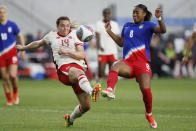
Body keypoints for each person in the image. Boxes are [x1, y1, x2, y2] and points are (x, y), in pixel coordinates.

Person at [16, 16, 101, 127]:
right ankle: (92, 91)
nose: (65, 28)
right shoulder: (51, 36)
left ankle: (70, 119)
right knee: (78, 72)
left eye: (67, 25)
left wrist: (67, 51)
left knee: (86, 106)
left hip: (78, 72)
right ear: (57, 26)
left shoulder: (75, 35)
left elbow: (81, 54)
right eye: (62, 26)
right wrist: (23, 48)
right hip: (64, 70)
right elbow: (37, 43)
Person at [101, 4, 166, 128]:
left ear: (144, 14)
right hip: (128, 63)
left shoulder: (149, 25)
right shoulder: (127, 25)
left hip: (142, 64)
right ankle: (110, 90)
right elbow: (121, 43)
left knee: (146, 92)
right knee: (115, 65)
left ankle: (149, 114)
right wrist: (109, 31)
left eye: (137, 12)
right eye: (133, 12)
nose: (134, 14)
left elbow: (163, 31)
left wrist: (159, 18)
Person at [0, 5, 25, 105]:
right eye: (0, 13)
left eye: (3, 12)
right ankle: (9, 99)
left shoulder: (12, 25)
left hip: (12, 54)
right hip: (1, 55)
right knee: (5, 78)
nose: (2, 14)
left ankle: (15, 92)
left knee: (13, 76)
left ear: (6, 13)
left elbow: (20, 36)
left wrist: (23, 49)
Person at [95, 8, 120, 82]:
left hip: (112, 50)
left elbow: (118, 37)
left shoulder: (115, 24)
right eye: (105, 13)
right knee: (101, 72)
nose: (107, 15)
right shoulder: (99, 24)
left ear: (110, 14)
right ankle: (98, 85)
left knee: (112, 70)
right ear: (103, 14)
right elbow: (97, 36)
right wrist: (99, 46)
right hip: (102, 51)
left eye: (108, 13)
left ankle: (111, 88)